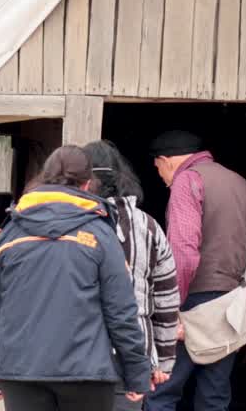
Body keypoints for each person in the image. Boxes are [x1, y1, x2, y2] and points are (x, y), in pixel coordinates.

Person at [0, 145, 150, 411]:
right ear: (87, 185)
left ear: (44, 179)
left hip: (20, 371)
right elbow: (120, 311)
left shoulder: (9, 232)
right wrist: (136, 373)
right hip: (86, 373)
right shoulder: (100, 233)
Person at [144, 130, 246, 411]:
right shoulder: (242, 185)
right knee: (215, 396)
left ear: (166, 161)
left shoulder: (186, 181)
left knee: (162, 393)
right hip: (230, 306)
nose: (161, 176)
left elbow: (183, 252)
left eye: (158, 168)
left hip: (191, 302)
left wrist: (170, 309)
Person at [83, 140, 179, 411]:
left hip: (74, 350)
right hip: (132, 353)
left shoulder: (67, 222)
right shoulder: (148, 226)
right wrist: (164, 360)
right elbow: (166, 297)